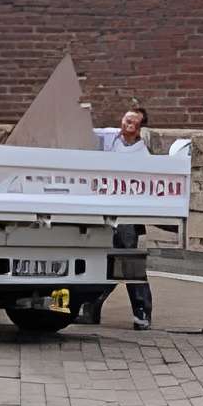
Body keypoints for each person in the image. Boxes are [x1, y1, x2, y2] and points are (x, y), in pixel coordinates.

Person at [75, 104, 154, 329]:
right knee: (103, 262)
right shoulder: (110, 137)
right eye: (125, 119)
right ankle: (91, 307)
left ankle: (142, 312)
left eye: (132, 122)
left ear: (139, 129)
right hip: (102, 210)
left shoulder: (141, 153)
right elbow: (87, 134)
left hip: (125, 214)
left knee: (128, 262)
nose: (126, 124)